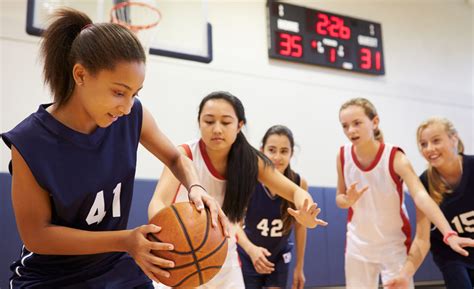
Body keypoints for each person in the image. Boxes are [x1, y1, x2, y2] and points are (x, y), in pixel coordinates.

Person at [1, 9, 228, 289]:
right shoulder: (30, 142)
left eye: (135, 93)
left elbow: (175, 157)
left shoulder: (132, 116)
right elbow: (37, 236)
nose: (128, 105)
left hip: (114, 264)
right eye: (119, 92)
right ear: (81, 75)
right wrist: (124, 240)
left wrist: (196, 187)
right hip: (51, 276)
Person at [148, 91, 327, 289]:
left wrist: (306, 209)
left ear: (239, 125)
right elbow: (158, 202)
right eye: (209, 121)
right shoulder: (184, 154)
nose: (217, 129)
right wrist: (166, 238)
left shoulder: (250, 160)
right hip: (180, 254)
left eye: (225, 122)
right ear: (199, 122)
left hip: (222, 256)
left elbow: (296, 192)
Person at [335, 98, 471, 289]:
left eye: (357, 123)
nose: (351, 130)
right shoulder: (342, 155)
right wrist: (346, 200)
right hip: (358, 245)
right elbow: (339, 199)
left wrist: (448, 233)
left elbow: (421, 196)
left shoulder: (395, 157)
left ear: (374, 122)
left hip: (393, 245)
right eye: (345, 126)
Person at [385, 117, 474, 289]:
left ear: (454, 138)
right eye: (423, 144)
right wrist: (405, 275)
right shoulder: (424, 183)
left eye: (436, 141)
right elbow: (422, 238)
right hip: (452, 255)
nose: (429, 149)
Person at [236, 125, 308, 289]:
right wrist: (251, 249)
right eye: (272, 150)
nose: (277, 156)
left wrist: (300, 266)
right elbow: (235, 224)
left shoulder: (299, 183)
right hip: (249, 253)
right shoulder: (248, 180)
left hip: (279, 255)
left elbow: (301, 227)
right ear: (262, 150)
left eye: (284, 151)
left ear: (291, 153)